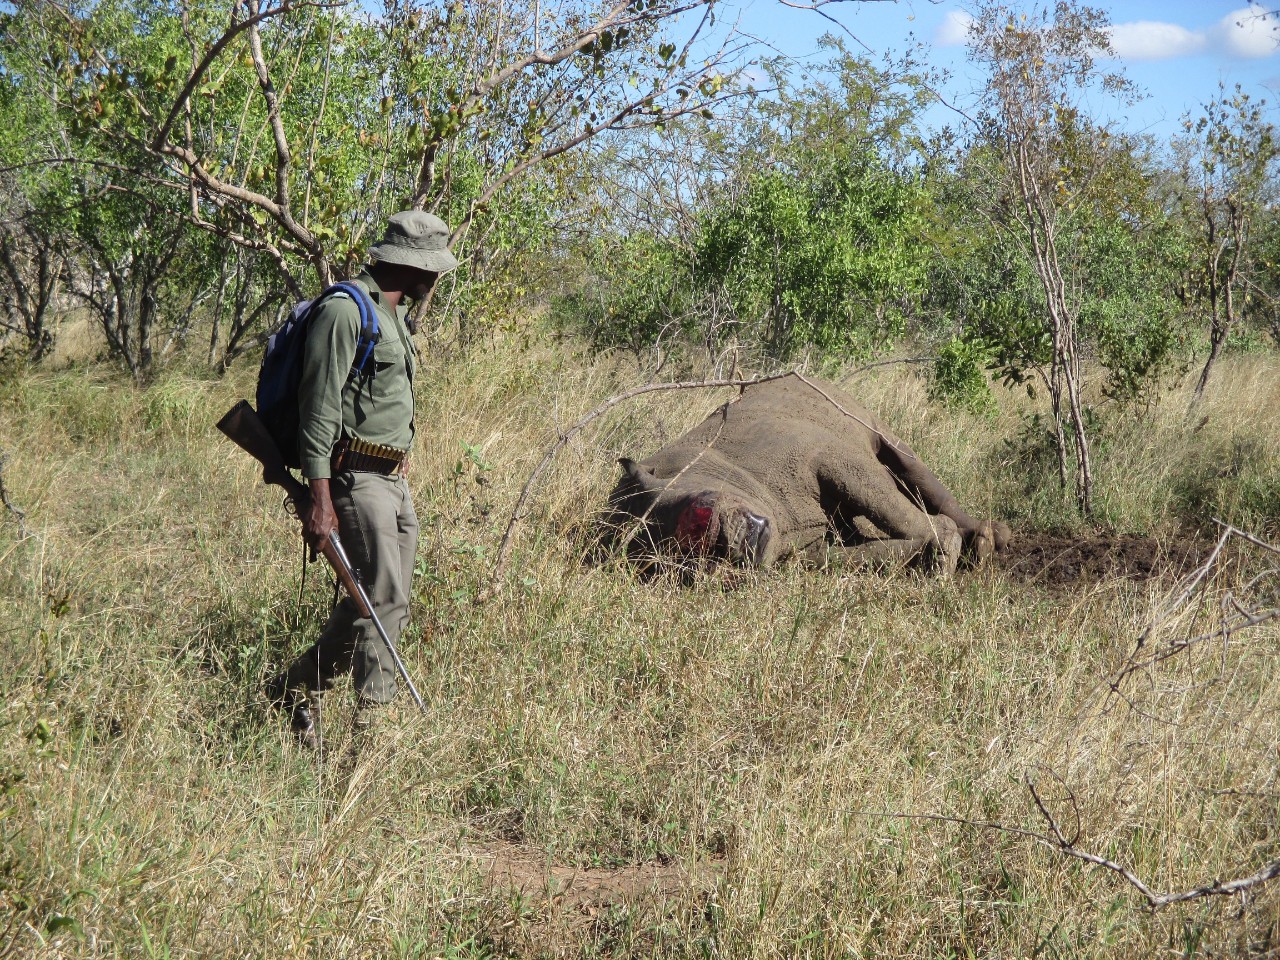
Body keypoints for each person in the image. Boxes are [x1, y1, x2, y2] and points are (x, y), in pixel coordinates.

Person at [266, 211, 458, 748]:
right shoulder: (346, 311)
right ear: (408, 263)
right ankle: (371, 738)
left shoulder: (392, 316)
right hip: (354, 480)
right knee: (384, 600)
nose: (436, 277)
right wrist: (319, 500)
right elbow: (319, 411)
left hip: (392, 481)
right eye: (431, 266)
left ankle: (291, 688)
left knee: (369, 603)